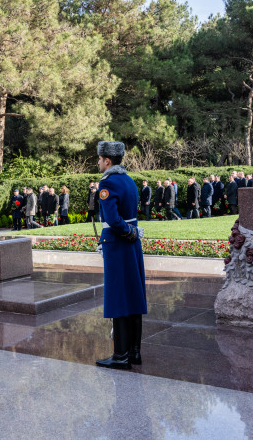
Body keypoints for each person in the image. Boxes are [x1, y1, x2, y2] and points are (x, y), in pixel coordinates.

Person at [94, 141, 147, 371]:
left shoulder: (108, 182)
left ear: (107, 161)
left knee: (118, 299)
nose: (98, 163)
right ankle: (134, 352)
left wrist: (127, 232)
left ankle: (120, 355)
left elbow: (114, 219)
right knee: (134, 296)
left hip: (119, 243)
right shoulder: (129, 180)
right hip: (132, 244)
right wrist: (132, 232)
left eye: (99, 159)